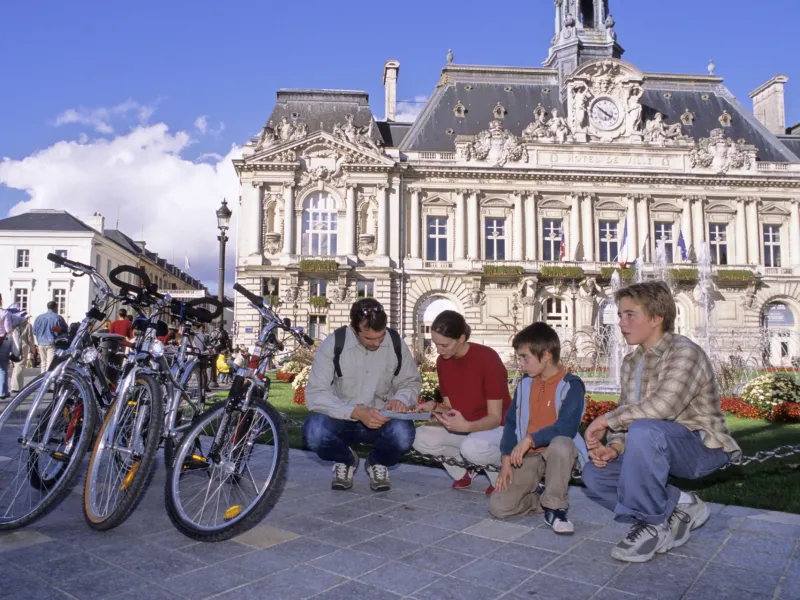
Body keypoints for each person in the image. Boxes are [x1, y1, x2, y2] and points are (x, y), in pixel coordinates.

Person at [582, 281, 741, 563]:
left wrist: (604, 420)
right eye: (620, 315)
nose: (621, 322)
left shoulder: (685, 352)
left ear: (657, 318)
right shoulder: (632, 362)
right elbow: (629, 410)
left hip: (702, 447)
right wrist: (615, 448)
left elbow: (662, 407)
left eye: (630, 315)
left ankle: (653, 526)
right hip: (655, 441)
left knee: (646, 429)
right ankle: (683, 503)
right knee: (595, 475)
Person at [302, 298, 422, 492]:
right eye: (368, 339)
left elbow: (410, 381)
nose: (376, 343)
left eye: (380, 337)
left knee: (403, 435)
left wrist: (401, 398)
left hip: (383, 418)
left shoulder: (395, 343)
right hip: (341, 417)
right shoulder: (334, 343)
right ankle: (346, 460)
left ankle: (376, 462)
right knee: (314, 433)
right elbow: (316, 393)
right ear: (353, 329)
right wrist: (355, 412)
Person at [489, 322, 588, 535]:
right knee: (499, 507)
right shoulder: (524, 384)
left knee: (561, 443)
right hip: (527, 456)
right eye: (519, 358)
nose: (521, 364)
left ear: (546, 355)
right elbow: (512, 423)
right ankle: (540, 498)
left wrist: (530, 439)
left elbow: (566, 428)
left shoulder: (572, 385)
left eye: (525, 357)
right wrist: (506, 457)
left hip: (557, 454)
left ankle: (555, 508)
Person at [412, 310, 511, 495]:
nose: (439, 351)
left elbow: (496, 418)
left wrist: (466, 426)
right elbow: (450, 407)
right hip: (465, 426)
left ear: (461, 338)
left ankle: (502, 473)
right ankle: (464, 471)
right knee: (418, 437)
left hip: (497, 428)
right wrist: (434, 406)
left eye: (444, 345)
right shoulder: (443, 362)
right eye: (435, 344)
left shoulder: (488, 359)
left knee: (472, 447)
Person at [32, 301, 68, 373]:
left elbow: (34, 331)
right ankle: (48, 380)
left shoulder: (39, 318)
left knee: (43, 362)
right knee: (50, 363)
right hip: (52, 342)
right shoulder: (58, 317)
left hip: (40, 342)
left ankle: (42, 380)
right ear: (55, 307)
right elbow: (65, 329)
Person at [10, 317, 35, 394]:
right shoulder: (28, 325)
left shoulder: (13, 325)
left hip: (14, 347)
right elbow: (30, 338)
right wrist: (32, 348)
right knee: (20, 366)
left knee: (16, 366)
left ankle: (18, 385)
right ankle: (16, 386)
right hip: (23, 347)